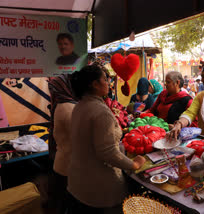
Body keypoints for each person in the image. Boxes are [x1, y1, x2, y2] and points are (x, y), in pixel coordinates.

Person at [67, 65, 146, 213]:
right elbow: (108, 152)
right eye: (105, 79)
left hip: (79, 181)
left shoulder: (80, 106)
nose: (108, 83)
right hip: (99, 188)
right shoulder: (101, 112)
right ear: (95, 84)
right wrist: (134, 164)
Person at [48, 74, 78, 214]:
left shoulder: (60, 105)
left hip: (61, 164)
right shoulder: (69, 108)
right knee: (68, 206)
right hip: (68, 167)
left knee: (61, 204)